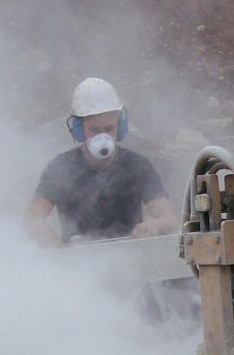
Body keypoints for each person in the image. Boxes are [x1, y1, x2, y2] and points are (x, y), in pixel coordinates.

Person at [23, 77, 179, 246]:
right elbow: (32, 218)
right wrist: (56, 249)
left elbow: (170, 218)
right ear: (78, 129)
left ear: (120, 126)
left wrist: (154, 225)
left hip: (133, 259)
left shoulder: (138, 165)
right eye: (94, 129)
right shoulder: (61, 167)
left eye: (109, 128)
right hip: (78, 264)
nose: (102, 136)